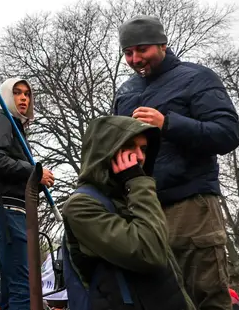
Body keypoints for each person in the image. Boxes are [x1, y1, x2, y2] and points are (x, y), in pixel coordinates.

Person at [113, 15, 239, 310]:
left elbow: (227, 134)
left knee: (206, 296)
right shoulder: (126, 92)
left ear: (163, 44)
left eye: (142, 49)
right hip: (143, 210)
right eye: (128, 53)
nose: (135, 59)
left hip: (192, 205)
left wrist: (167, 123)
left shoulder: (197, 78)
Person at [63, 116, 194, 309]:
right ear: (106, 151)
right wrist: (138, 184)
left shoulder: (132, 198)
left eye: (143, 149)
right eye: (130, 146)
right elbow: (150, 252)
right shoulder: (81, 206)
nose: (140, 157)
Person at [0, 78, 54, 310]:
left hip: (14, 209)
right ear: (7, 95)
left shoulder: (17, 128)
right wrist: (34, 172)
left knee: (15, 289)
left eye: (27, 94)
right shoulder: (1, 120)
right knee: (24, 287)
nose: (24, 98)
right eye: (18, 93)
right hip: (5, 209)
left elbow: (13, 173)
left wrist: (37, 181)